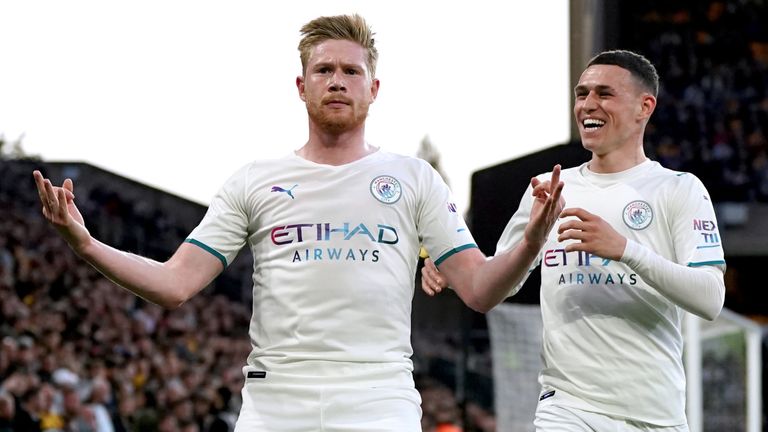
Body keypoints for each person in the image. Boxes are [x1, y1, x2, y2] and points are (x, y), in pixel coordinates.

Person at [33, 14, 565, 431]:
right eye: (325, 70)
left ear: (374, 88)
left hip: (379, 402)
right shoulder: (255, 180)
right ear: (301, 84)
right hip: (275, 403)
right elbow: (175, 284)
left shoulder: (414, 178)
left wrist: (533, 240)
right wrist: (86, 245)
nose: (338, 81)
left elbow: (480, 289)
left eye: (351, 71)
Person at [422, 50, 726, 431]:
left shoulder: (678, 190)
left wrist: (626, 251)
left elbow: (711, 297)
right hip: (567, 409)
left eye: (604, 93)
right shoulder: (550, 188)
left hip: (655, 413)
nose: (587, 105)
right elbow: (494, 284)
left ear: (644, 107)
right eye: (581, 94)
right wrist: (456, 264)